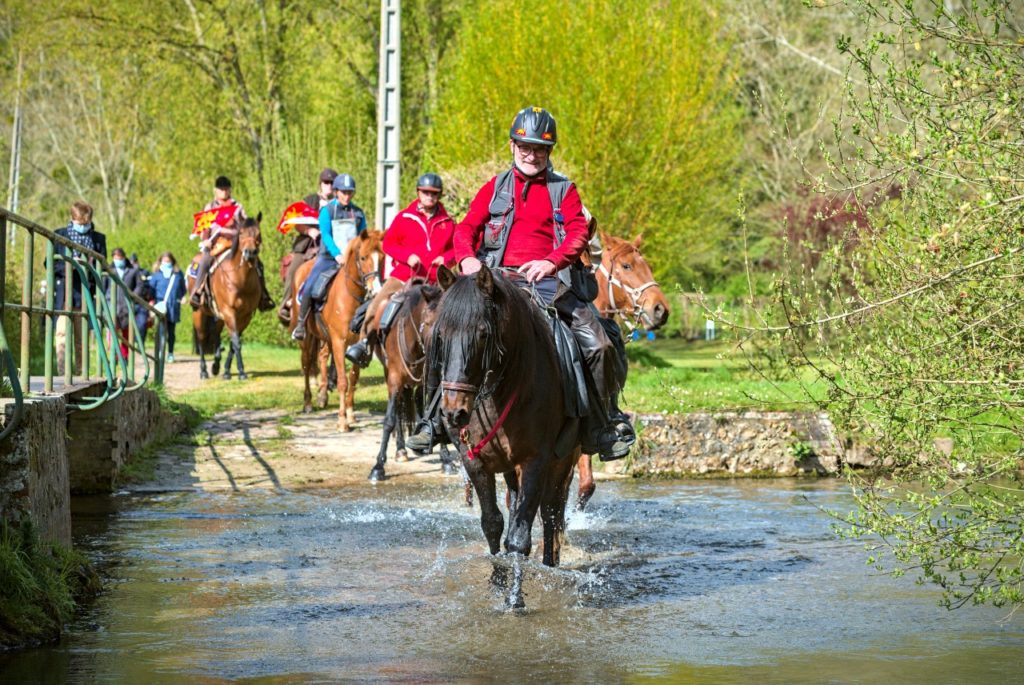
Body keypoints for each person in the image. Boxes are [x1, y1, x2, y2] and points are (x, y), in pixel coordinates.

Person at [405, 106, 634, 462]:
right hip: (493, 282)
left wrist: (551, 261)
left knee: (601, 344)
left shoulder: (564, 190)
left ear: (549, 152)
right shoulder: (494, 187)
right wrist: (466, 258)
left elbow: (577, 234)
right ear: (513, 147)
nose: (531, 155)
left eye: (539, 149)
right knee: (441, 330)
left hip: (549, 284)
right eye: (524, 147)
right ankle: (432, 420)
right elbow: (466, 228)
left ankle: (601, 426)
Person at [344, 172, 455, 367]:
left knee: (458, 308)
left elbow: (457, 248)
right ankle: (364, 345)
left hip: (434, 280)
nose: (430, 197)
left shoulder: (448, 222)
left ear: (440, 195)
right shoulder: (404, 217)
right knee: (377, 303)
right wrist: (407, 256)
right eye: (426, 192)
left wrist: (446, 258)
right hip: (404, 276)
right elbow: (388, 244)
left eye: (434, 193)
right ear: (418, 192)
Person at [291, 173, 367, 341]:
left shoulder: (358, 213)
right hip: (328, 258)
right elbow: (325, 235)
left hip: (351, 261)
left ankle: (367, 330)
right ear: (336, 191)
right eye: (343, 192)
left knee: (371, 286)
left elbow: (363, 237)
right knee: (309, 286)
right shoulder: (327, 210)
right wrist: (337, 254)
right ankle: (301, 325)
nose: (346, 196)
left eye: (350, 192)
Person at [189, 175, 275, 311]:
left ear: (230, 190)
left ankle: (263, 296)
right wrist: (205, 240)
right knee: (205, 260)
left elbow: (245, 224)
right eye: (221, 189)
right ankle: (198, 291)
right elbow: (205, 227)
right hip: (216, 243)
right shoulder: (210, 206)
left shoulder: (237, 207)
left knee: (258, 264)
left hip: (235, 243)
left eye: (226, 189)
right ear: (215, 191)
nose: (224, 192)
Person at [52, 201, 107, 374]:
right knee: (61, 334)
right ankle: (62, 373)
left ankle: (80, 372)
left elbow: (103, 265)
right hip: (64, 293)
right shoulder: (59, 235)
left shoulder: (98, 239)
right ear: (72, 218)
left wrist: (90, 266)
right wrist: (70, 265)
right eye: (79, 223)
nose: (83, 227)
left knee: (81, 338)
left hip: (85, 293)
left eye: (86, 224)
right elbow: (51, 263)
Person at [278, 167, 338, 324]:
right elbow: (296, 222)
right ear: (320, 184)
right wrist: (308, 230)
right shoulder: (309, 200)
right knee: (293, 268)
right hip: (308, 245)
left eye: (332, 183)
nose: (329, 186)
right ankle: (286, 303)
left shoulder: (340, 204)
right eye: (326, 182)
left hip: (332, 247)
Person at [149, 251, 188, 363]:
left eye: (168, 261)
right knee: (161, 331)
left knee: (171, 332)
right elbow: (151, 291)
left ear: (172, 261)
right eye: (164, 261)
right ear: (160, 261)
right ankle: (161, 352)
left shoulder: (178, 275)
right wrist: (152, 303)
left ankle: (170, 353)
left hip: (173, 307)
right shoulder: (156, 275)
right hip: (160, 307)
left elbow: (182, 290)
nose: (166, 263)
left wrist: (182, 298)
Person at [109, 247, 147, 359]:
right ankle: (114, 356)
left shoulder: (133, 271)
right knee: (112, 331)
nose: (118, 260)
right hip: (112, 305)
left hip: (127, 306)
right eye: (116, 258)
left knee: (126, 332)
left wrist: (132, 296)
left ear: (124, 258)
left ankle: (125, 357)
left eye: (120, 258)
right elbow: (103, 285)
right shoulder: (108, 270)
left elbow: (140, 285)